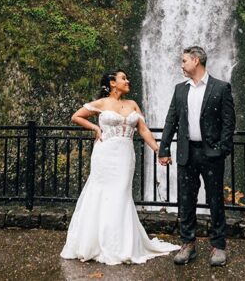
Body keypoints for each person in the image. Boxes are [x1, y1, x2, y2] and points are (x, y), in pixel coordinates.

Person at [59, 70, 180, 265]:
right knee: (101, 193)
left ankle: (121, 244)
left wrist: (158, 150)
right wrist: (96, 128)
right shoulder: (102, 103)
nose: (127, 81)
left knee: (121, 193)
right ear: (112, 83)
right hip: (104, 153)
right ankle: (99, 243)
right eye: (123, 78)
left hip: (125, 154)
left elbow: (143, 130)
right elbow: (77, 116)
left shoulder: (132, 104)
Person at [158, 45, 236, 266]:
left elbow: (229, 123)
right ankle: (188, 244)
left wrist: (222, 149)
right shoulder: (180, 89)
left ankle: (219, 246)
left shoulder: (221, 88)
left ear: (196, 61)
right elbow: (171, 120)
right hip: (186, 152)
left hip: (211, 152)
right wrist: (163, 149)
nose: (181, 65)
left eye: (184, 61)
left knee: (215, 200)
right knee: (186, 200)